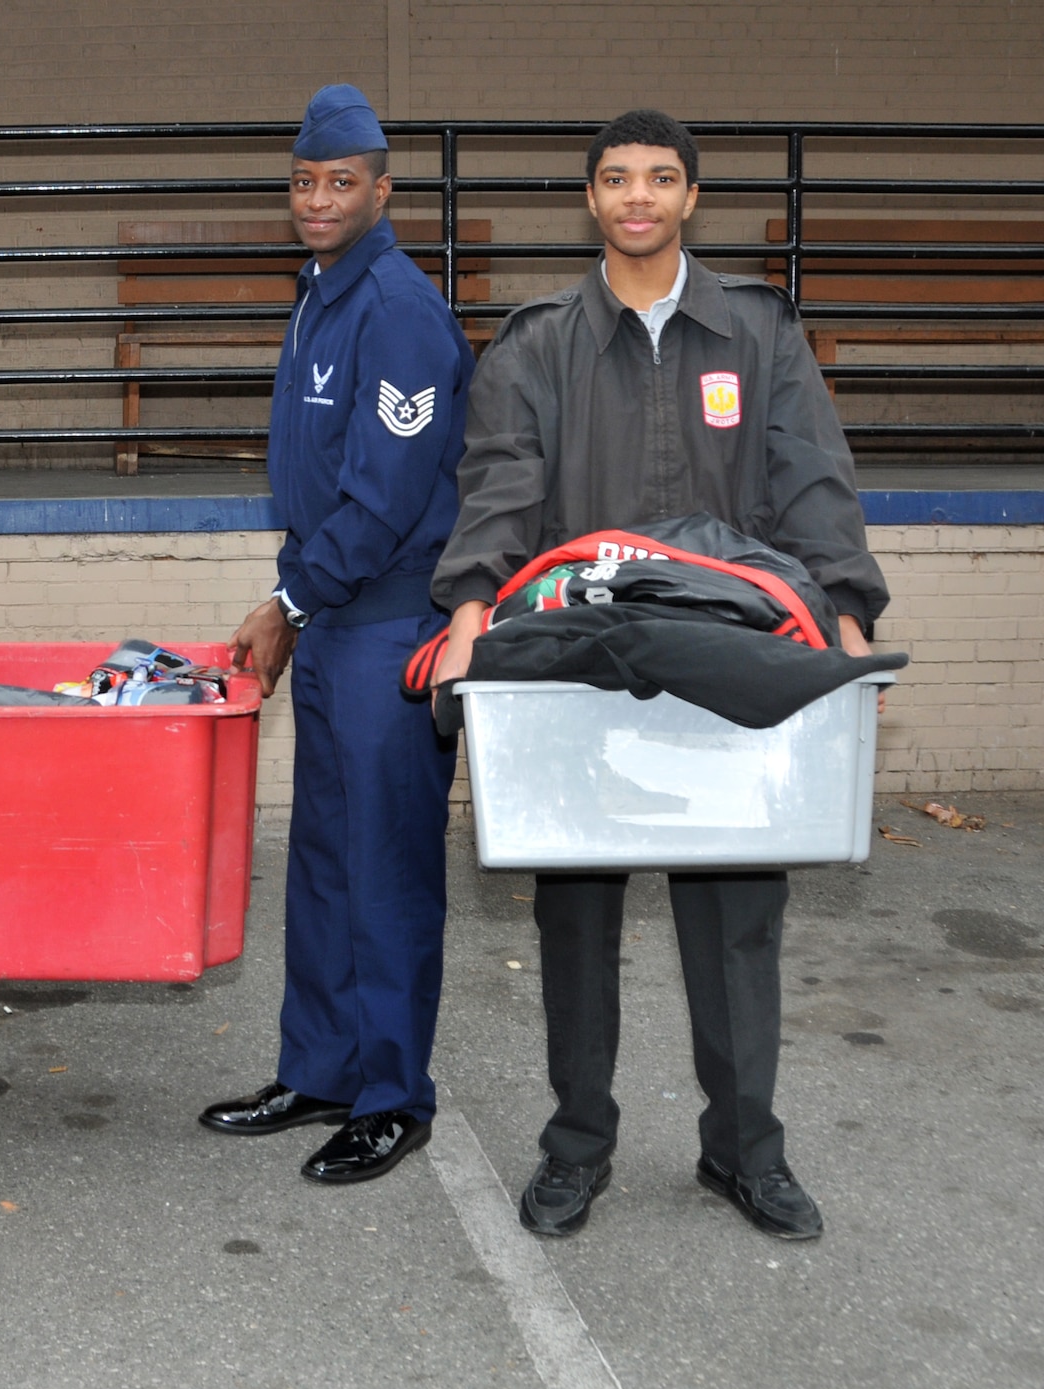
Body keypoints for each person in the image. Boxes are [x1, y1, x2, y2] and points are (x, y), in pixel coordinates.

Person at [430, 110, 891, 1241]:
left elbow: (810, 479)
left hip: (730, 658)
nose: (636, 195)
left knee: (736, 917)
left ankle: (742, 1152)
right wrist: (466, 609)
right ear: (589, 198)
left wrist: (842, 610)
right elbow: (498, 482)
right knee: (574, 914)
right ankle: (575, 1147)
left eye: (660, 177)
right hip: (582, 664)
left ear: (690, 197)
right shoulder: (535, 341)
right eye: (614, 177)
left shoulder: (757, 331)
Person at [201, 85, 475, 1184]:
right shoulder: (321, 293)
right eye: (304, 182)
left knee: (386, 870)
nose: (318, 199)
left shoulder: (397, 309)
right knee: (320, 861)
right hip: (331, 619)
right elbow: (313, 487)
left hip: (387, 626)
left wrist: (289, 603)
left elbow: (381, 496)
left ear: (381, 189)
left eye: (340, 182)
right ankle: (317, 1068)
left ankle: (391, 1094)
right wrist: (296, 597)